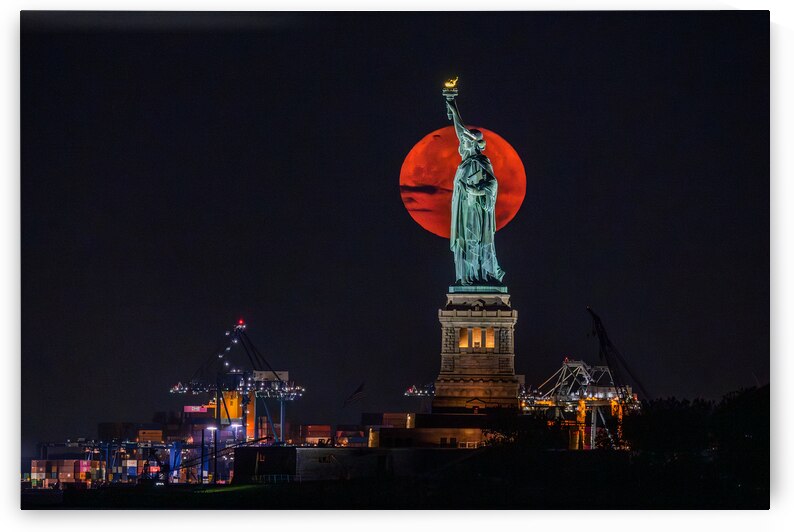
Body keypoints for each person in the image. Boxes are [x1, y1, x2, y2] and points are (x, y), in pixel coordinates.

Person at [445, 95, 505, 285]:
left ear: (473, 144)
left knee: (476, 241)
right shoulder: (465, 163)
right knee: (465, 240)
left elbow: (492, 184)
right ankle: (466, 277)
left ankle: (481, 275)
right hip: (464, 209)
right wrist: (454, 110)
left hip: (477, 210)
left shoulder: (482, 162)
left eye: (466, 141)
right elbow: (460, 132)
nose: (462, 143)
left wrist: (473, 190)